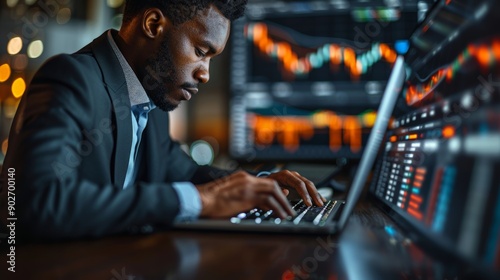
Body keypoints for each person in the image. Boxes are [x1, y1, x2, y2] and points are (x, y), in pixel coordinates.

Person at [0, 0, 325, 240]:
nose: (205, 74)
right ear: (154, 24)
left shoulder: (149, 102)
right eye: (201, 51)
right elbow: (34, 201)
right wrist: (197, 201)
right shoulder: (71, 79)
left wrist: (259, 185)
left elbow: (187, 172)